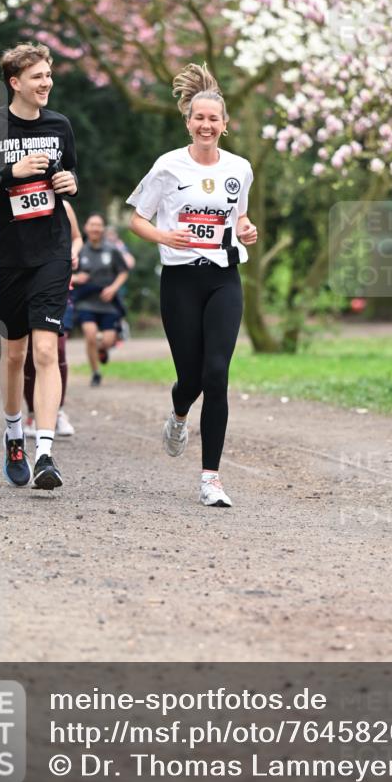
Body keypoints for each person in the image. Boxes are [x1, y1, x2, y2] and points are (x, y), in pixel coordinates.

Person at [127, 63, 257, 508]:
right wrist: (165, 236)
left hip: (224, 276)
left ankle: (211, 478)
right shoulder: (168, 166)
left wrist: (246, 228)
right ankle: (179, 414)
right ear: (189, 122)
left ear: (225, 124)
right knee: (190, 379)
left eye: (214, 119)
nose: (206, 125)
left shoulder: (240, 167)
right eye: (199, 118)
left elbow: (238, 215)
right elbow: (137, 219)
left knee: (217, 373)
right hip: (180, 279)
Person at [0, 42, 78, 490]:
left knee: (47, 352)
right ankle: (13, 436)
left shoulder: (60, 125)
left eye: (48, 75)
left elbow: (67, 177)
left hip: (51, 249)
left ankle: (44, 452)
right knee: (14, 354)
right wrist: (13, 172)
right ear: (15, 83)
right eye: (38, 76)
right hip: (6, 256)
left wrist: (70, 182)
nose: (46, 83)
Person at [23, 199, 82, 438]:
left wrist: (72, 252)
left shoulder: (64, 206)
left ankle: (57, 411)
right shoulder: (20, 198)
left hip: (57, 284)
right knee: (29, 353)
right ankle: (31, 412)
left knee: (56, 349)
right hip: (24, 284)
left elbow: (77, 237)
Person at [71, 213, 129, 387]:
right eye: (92, 224)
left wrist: (113, 288)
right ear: (85, 228)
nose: (95, 228)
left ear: (103, 229)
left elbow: (123, 271)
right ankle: (95, 373)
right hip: (86, 301)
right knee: (90, 335)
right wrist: (75, 278)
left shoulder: (111, 250)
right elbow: (65, 273)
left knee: (107, 341)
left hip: (108, 302)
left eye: (99, 225)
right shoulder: (79, 250)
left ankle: (103, 349)